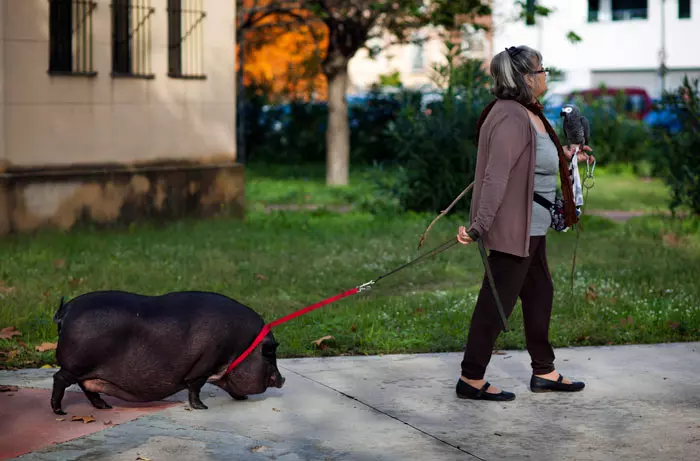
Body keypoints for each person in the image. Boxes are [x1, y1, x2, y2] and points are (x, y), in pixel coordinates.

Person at [454, 45, 594, 401]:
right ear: (525, 78)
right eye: (541, 69)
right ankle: (470, 379)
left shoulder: (528, 113)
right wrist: (479, 226)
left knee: (539, 292)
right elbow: (494, 176)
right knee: (496, 300)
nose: (545, 74)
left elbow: (531, 160)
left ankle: (543, 371)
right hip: (514, 228)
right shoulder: (510, 117)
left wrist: (565, 155)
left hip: (533, 226)